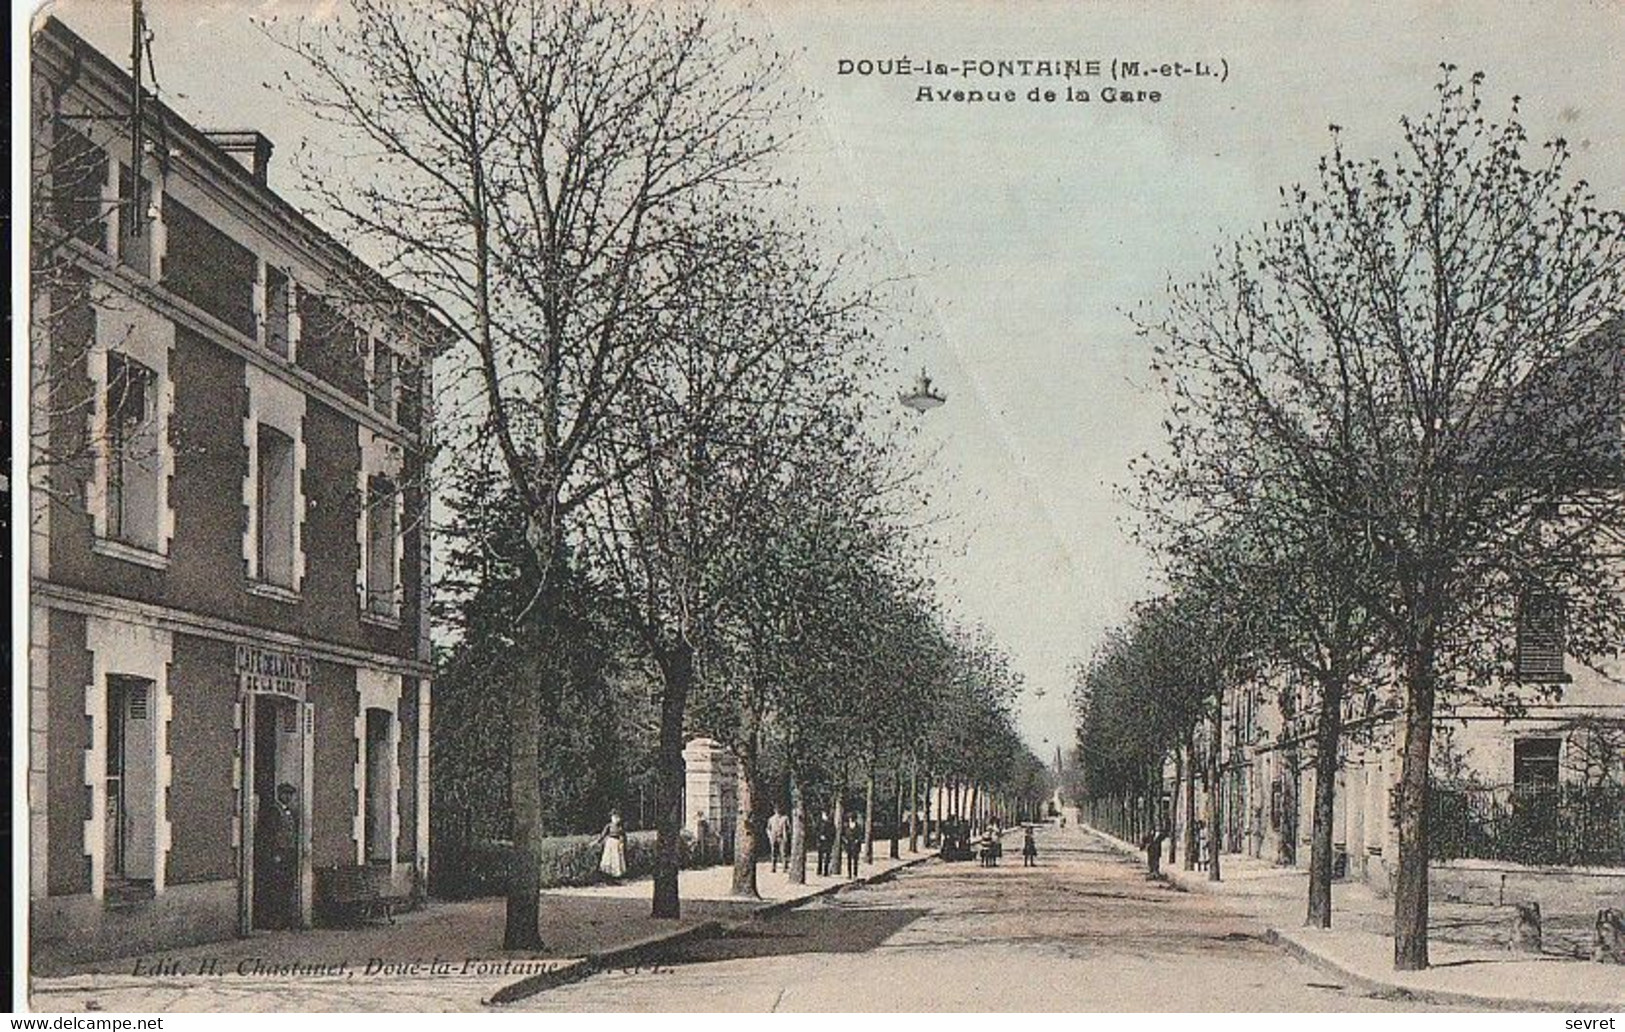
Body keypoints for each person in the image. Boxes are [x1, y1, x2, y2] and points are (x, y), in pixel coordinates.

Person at [257, 783, 299, 928]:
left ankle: (284, 919)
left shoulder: (291, 812)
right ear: (279, 794)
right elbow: (269, 834)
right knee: (275, 888)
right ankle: (273, 920)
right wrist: (274, 853)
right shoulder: (273, 811)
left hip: (288, 854)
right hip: (277, 855)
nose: (287, 797)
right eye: (285, 794)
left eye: (290, 794)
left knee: (286, 886)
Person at [598, 809, 627, 881]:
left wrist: (623, 842)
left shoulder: (620, 826)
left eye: (617, 817)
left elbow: (623, 835)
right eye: (614, 816)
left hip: (617, 843)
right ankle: (608, 875)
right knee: (609, 858)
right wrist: (599, 840)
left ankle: (617, 875)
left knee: (617, 858)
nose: (616, 818)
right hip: (610, 842)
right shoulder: (609, 825)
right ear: (611, 817)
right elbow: (603, 834)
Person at [767, 806, 790, 873]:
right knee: (773, 853)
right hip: (774, 837)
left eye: (779, 809)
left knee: (783, 853)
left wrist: (786, 835)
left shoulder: (785, 818)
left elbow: (789, 828)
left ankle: (784, 868)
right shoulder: (771, 819)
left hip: (782, 837)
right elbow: (768, 828)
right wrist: (770, 835)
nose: (777, 811)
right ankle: (773, 868)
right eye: (776, 810)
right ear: (774, 810)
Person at [815, 811, 835, 877]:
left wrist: (828, 837)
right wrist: (819, 836)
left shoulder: (830, 821)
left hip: (828, 841)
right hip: (820, 841)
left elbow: (833, 831)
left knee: (827, 857)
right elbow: (816, 830)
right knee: (820, 857)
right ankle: (819, 871)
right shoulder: (819, 821)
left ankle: (826, 871)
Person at [843, 813, 862, 877]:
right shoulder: (846, 826)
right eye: (849, 818)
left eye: (851, 818)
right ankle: (849, 874)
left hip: (855, 844)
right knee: (849, 860)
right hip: (848, 844)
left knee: (855, 860)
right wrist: (845, 840)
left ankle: (855, 873)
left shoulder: (858, 826)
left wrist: (857, 840)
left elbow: (860, 835)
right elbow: (843, 835)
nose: (850, 819)